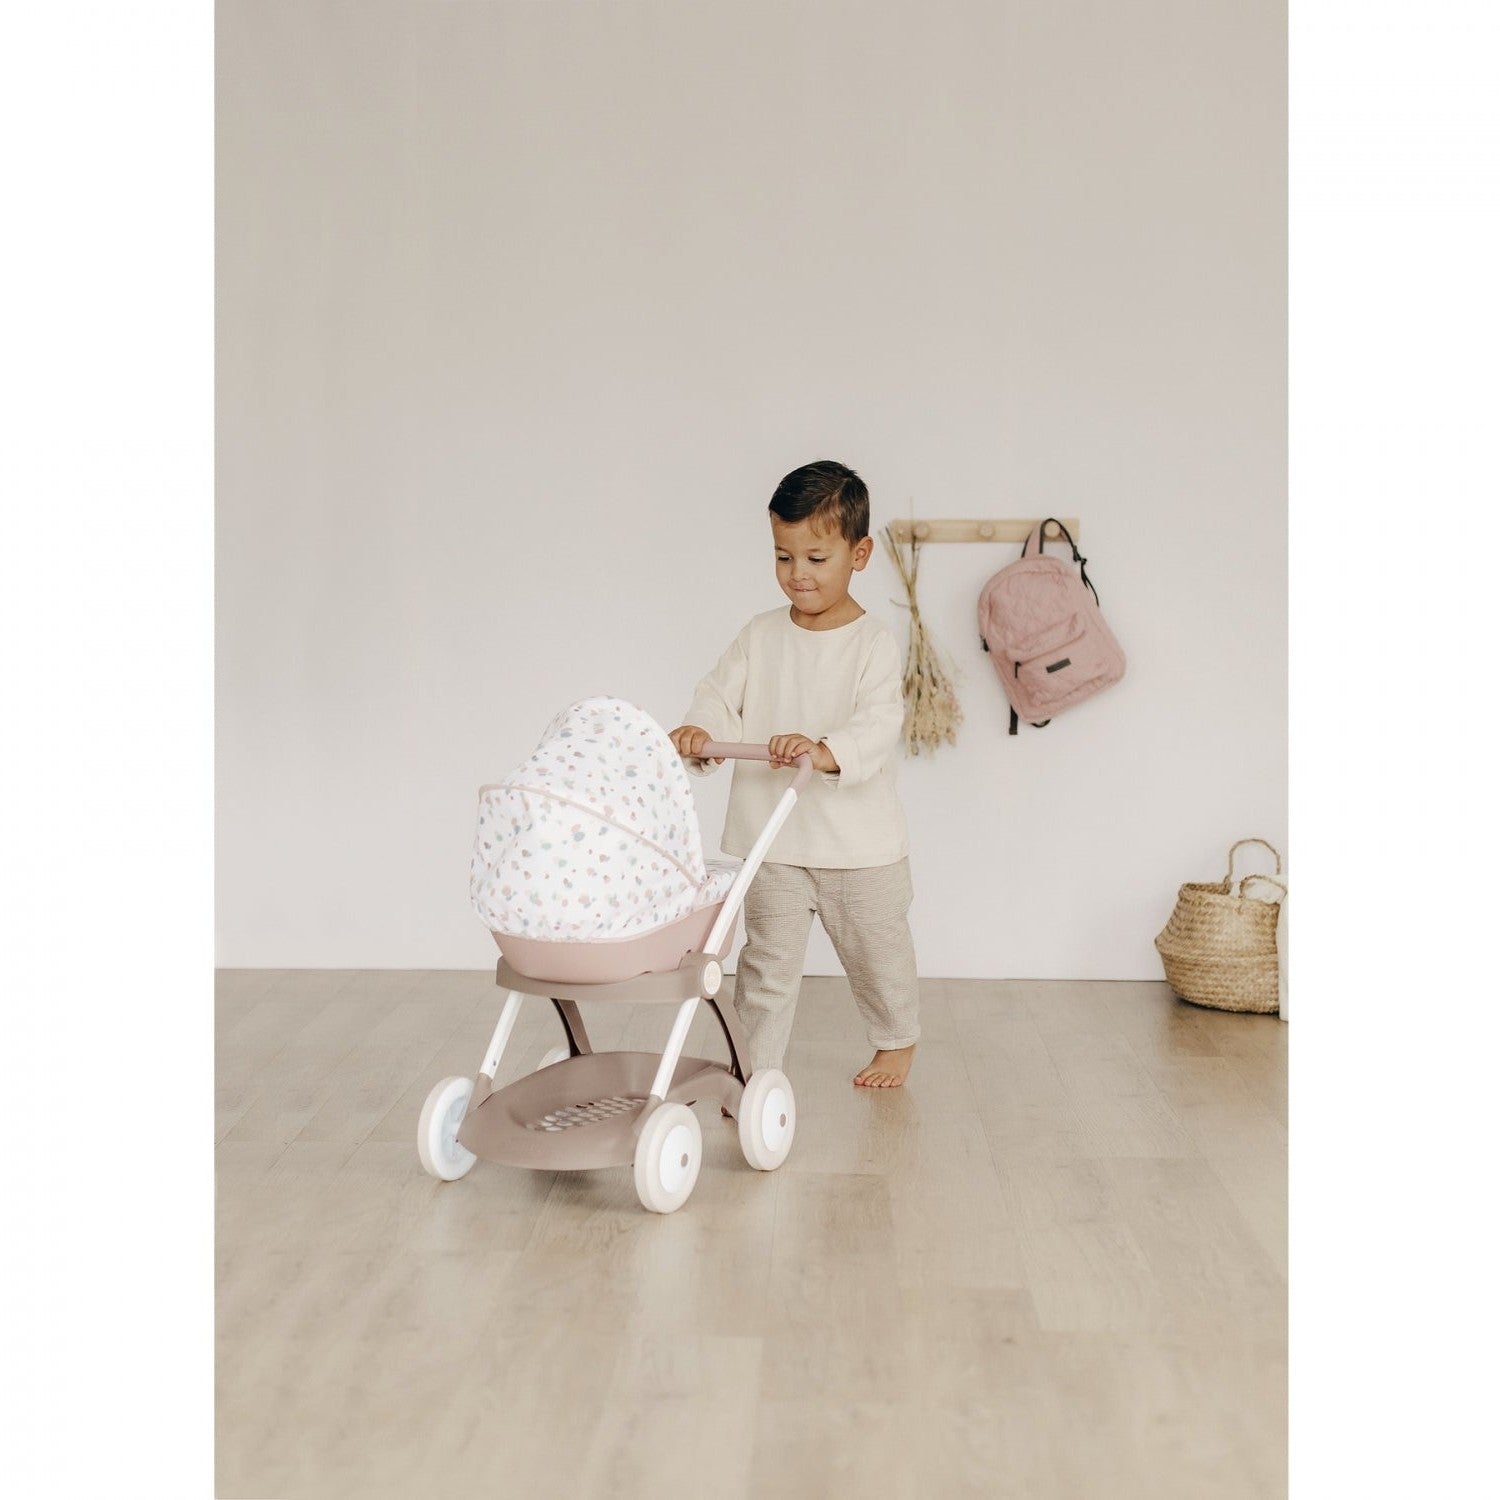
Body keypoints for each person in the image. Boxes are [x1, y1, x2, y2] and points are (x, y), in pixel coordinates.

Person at [668, 459, 920, 1088]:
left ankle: (896, 1040)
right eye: (784, 557)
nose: (797, 573)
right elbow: (718, 695)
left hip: (858, 847)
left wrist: (825, 750)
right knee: (765, 965)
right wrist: (700, 731)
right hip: (773, 841)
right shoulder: (759, 636)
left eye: (815, 558)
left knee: (878, 954)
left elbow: (879, 722)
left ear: (859, 554)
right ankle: (755, 1070)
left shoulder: (873, 643)